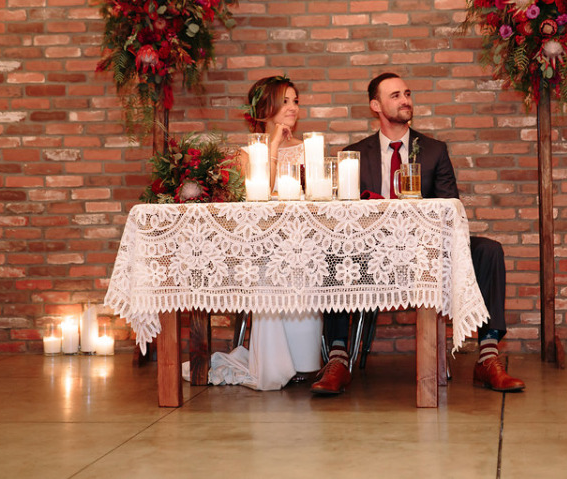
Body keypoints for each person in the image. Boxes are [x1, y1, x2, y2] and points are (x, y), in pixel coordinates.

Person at [311, 72, 526, 395]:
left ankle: (488, 356)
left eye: (407, 93)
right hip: (372, 249)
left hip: (426, 249)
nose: (405, 100)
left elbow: (449, 208)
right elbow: (345, 216)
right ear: (375, 105)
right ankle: (339, 358)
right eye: (395, 95)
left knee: (488, 250)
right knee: (336, 251)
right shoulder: (354, 154)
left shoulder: (434, 151)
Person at [208, 75, 323, 390]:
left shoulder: (307, 149)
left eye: (295, 101)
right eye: (285, 101)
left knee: (303, 265)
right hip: (262, 246)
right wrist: (272, 144)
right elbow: (258, 196)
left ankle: (307, 363)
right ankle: (275, 362)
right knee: (270, 268)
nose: (293, 108)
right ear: (265, 107)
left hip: (302, 242)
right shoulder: (247, 154)